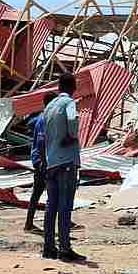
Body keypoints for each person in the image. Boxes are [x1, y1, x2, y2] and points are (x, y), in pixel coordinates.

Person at [42, 73, 87, 262]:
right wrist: (72, 135)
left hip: (51, 160)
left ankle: (48, 247)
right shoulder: (69, 103)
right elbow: (73, 124)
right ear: (73, 87)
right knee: (65, 206)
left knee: (51, 206)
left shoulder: (49, 106)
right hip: (66, 160)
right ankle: (65, 248)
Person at [25, 91, 56, 232]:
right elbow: (42, 140)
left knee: (38, 192)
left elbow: (31, 125)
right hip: (42, 160)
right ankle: (35, 224)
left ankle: (29, 223)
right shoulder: (46, 119)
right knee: (48, 192)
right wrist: (44, 162)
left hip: (39, 158)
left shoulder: (41, 117)